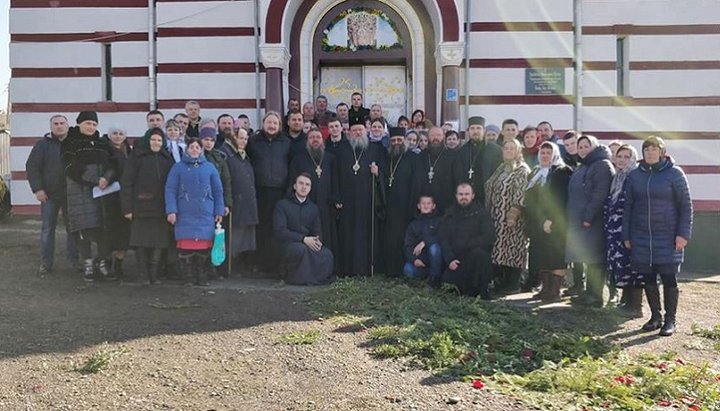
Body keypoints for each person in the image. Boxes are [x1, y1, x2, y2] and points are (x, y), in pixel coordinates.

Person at [623, 136, 692, 337]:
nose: (650, 153)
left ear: (662, 152)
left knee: (669, 278)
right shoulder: (635, 176)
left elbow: (686, 207)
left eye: (654, 149)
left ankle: (670, 320)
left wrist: (683, 234)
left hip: (668, 235)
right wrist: (626, 235)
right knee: (648, 277)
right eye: (646, 150)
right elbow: (628, 207)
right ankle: (655, 317)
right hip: (641, 235)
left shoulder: (674, 174)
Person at [61, 111, 116, 281]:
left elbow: (113, 162)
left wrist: (107, 178)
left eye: (94, 124)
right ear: (79, 124)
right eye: (87, 123)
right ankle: (88, 264)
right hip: (80, 191)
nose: (91, 127)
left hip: (102, 191)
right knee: (83, 229)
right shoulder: (70, 142)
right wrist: (94, 180)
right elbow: (70, 166)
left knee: (103, 228)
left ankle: (102, 263)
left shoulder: (102, 142)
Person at [165, 137, 224, 286]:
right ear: (187, 150)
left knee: (204, 248)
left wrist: (219, 211)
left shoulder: (210, 167)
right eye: (191, 147)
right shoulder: (178, 167)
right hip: (185, 212)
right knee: (186, 247)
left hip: (205, 212)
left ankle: (202, 277)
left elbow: (218, 191)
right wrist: (171, 210)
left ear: (201, 149)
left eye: (197, 147)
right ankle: (188, 278)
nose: (194, 150)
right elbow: (170, 190)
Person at [26, 114, 79, 275]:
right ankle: (46, 263)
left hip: (71, 195)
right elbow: (32, 167)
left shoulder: (75, 144)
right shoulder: (42, 145)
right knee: (48, 230)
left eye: (62, 123)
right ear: (51, 127)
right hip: (49, 195)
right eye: (55, 124)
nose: (59, 126)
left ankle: (74, 262)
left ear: (68, 125)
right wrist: (38, 189)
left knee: (74, 230)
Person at [334, 115, 387, 277]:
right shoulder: (342, 150)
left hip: (367, 201)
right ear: (349, 132)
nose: (357, 132)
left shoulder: (376, 150)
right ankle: (348, 269)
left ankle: (366, 269)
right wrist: (337, 198)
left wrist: (378, 173)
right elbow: (335, 175)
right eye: (354, 130)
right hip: (347, 201)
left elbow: (384, 174)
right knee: (348, 234)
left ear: (366, 130)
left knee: (366, 235)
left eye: (360, 130)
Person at [566, 135, 615, 307]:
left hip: (592, 221)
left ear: (594, 147)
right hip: (578, 219)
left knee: (595, 258)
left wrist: (588, 217)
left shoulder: (602, 165)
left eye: (587, 146)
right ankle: (588, 292)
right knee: (587, 257)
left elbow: (599, 194)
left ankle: (596, 296)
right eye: (580, 147)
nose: (583, 149)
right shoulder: (585, 165)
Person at [121, 128, 174, 284]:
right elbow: (126, 182)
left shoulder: (167, 159)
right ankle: (143, 275)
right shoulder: (137, 157)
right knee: (141, 242)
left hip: (160, 209)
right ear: (147, 140)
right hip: (140, 208)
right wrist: (127, 208)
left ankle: (154, 274)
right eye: (153, 140)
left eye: (159, 140)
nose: (156, 143)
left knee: (159, 242)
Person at [523, 142, 572, 300]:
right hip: (537, 221)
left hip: (553, 222)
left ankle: (555, 290)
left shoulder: (561, 171)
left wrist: (551, 219)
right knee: (541, 255)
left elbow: (561, 198)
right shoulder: (536, 172)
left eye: (548, 153)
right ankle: (545, 288)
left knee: (555, 255)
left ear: (555, 154)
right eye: (542, 152)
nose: (545, 156)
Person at [287, 127, 340, 266]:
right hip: (306, 205)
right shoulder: (298, 158)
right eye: (312, 137)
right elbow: (292, 180)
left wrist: (336, 198)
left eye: (318, 137)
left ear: (322, 140)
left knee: (326, 234)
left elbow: (335, 181)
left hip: (326, 205)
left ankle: (327, 265)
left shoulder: (330, 158)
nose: (315, 140)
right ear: (307, 141)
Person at [484, 138, 531, 294]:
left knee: (513, 250)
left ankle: (513, 284)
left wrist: (513, 215)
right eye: (506, 148)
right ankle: (502, 283)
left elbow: (521, 194)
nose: (509, 151)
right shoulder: (501, 168)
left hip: (512, 219)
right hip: (497, 217)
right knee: (500, 251)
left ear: (518, 151)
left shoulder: (521, 169)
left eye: (512, 148)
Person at [247, 111, 291, 273]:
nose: (272, 126)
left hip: (279, 192)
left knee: (277, 228)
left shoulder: (286, 142)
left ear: (279, 126)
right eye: (269, 123)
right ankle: (259, 262)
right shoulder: (253, 142)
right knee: (261, 227)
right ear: (263, 124)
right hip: (259, 191)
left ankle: (276, 264)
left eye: (275, 123)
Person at [273, 173, 335, 285]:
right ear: (295, 186)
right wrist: (303, 239)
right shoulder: (282, 205)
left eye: (307, 184)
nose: (304, 187)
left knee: (327, 254)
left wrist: (317, 242)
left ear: (310, 188)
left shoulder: (313, 208)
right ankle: (292, 277)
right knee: (300, 250)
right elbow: (280, 231)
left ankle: (314, 279)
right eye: (301, 183)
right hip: (287, 243)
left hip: (307, 243)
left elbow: (317, 231)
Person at [604, 144, 643, 317]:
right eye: (620, 156)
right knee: (621, 266)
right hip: (615, 231)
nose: (622, 160)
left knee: (632, 266)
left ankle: (636, 306)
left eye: (627, 157)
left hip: (629, 230)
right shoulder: (618, 177)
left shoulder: (634, 177)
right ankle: (625, 301)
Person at [439, 183, 496, 298]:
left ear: (473, 195)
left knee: (480, 255)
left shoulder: (482, 214)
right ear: (456, 196)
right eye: (461, 194)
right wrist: (450, 259)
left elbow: (489, 236)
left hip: (475, 259)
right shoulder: (449, 214)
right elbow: (443, 238)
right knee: (449, 287)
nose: (463, 197)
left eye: (466, 194)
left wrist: (467, 244)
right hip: (456, 259)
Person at [219, 128, 258, 274]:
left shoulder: (243, 155)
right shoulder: (225, 154)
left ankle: (240, 264)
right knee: (233, 239)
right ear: (233, 137)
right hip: (235, 202)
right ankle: (228, 268)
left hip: (247, 203)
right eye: (241, 138)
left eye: (246, 139)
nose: (244, 141)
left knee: (243, 239)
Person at [380, 127, 417, 276]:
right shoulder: (387, 157)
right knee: (388, 238)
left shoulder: (413, 158)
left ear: (404, 141)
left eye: (399, 140)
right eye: (393, 140)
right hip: (388, 204)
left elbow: (415, 183)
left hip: (405, 204)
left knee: (402, 237)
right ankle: (388, 269)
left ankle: (401, 269)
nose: (396, 143)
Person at [104, 125, 132, 279]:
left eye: (121, 133)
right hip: (109, 198)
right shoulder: (104, 151)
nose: (117, 136)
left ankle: (119, 265)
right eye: (114, 133)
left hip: (124, 197)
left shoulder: (129, 151)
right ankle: (106, 264)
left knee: (124, 234)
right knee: (109, 233)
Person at [413, 127, 461, 213]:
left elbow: (457, 181)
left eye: (438, 135)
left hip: (446, 205)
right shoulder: (421, 156)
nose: (435, 138)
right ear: (428, 137)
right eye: (432, 135)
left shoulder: (452, 157)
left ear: (443, 137)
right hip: (425, 206)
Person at [457, 116, 502, 205]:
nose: (475, 131)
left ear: (484, 130)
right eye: (472, 128)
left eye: (478, 128)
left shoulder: (495, 150)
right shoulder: (461, 151)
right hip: (468, 196)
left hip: (489, 196)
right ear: (468, 131)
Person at [403, 195, 442, 286]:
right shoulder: (413, 224)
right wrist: (414, 260)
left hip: (436, 258)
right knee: (407, 270)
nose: (426, 206)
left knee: (434, 248)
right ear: (418, 206)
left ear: (433, 206)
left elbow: (443, 237)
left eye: (428, 203)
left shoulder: (439, 221)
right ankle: (428, 275)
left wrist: (425, 242)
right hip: (421, 260)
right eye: (423, 203)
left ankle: (434, 279)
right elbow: (408, 245)